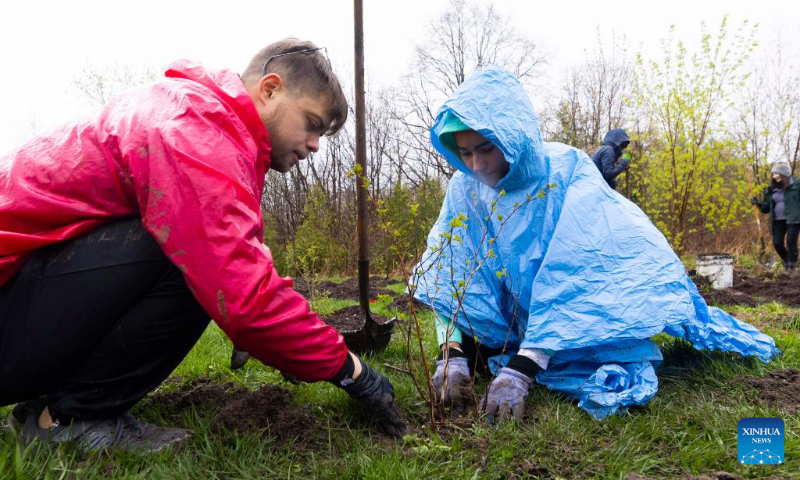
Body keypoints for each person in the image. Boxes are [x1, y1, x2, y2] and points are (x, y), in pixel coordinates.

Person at [0, 38, 406, 452]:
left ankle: (47, 407)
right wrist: (348, 368)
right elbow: (243, 294)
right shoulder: (196, 131)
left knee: (191, 253)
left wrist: (270, 333)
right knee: (182, 260)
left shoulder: (198, 117)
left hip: (18, 305)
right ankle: (70, 419)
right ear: (270, 89)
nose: (316, 144)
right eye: (312, 123)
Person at [412, 66, 778, 422]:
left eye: (486, 148)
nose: (476, 165)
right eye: (465, 152)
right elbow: (452, 270)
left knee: (593, 349)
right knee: (476, 356)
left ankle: (537, 352)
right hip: (513, 319)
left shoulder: (565, 171)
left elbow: (576, 275)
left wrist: (522, 369)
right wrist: (450, 354)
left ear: (513, 136)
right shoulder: (466, 187)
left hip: (576, 314)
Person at [751, 162, 800, 270]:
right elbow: (766, 206)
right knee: (777, 243)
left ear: (784, 174)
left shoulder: (797, 186)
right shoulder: (772, 189)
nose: (774, 176)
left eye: (777, 174)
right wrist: (758, 203)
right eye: (773, 174)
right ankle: (788, 261)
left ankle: (792, 267)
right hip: (778, 220)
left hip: (793, 218)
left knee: (791, 241)